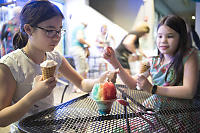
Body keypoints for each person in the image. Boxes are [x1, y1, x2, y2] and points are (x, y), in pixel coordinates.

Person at [0, 1, 115, 132]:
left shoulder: (54, 56)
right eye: (49, 30)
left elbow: (82, 83)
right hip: (23, 129)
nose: (57, 37)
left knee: (88, 116)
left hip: (49, 124)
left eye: (59, 30)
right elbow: (2, 120)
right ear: (28, 29)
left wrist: (99, 81)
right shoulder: (10, 64)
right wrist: (34, 95)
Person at [104, 15, 199, 105]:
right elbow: (133, 84)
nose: (163, 41)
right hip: (154, 112)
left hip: (180, 115)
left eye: (170, 36)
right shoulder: (150, 62)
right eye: (160, 36)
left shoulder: (189, 56)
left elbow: (189, 91)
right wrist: (114, 61)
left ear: (181, 38)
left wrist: (153, 89)